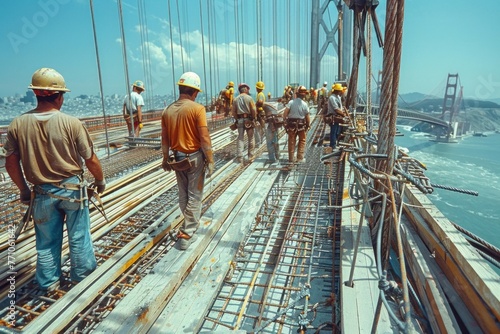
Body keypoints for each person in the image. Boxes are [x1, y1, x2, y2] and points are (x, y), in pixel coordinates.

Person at [4, 68, 105, 291]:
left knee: (46, 243)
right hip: (72, 192)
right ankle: (83, 281)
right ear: (59, 97)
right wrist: (100, 182)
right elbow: (91, 159)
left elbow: (10, 162)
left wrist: (23, 190)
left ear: (36, 94)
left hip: (41, 194)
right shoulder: (72, 123)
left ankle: (48, 284)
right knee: (79, 237)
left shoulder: (18, 124)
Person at [161, 72, 215, 251]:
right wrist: (211, 158)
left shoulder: (167, 110)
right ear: (195, 92)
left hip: (177, 159)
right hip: (194, 158)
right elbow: (204, 137)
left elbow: (165, 140)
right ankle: (187, 233)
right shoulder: (197, 109)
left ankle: (188, 224)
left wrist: (165, 158)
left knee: (183, 193)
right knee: (195, 195)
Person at [283, 86, 310, 163]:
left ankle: (291, 159)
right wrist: (308, 126)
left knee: (291, 141)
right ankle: (300, 158)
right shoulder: (305, 104)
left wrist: (285, 122)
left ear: (297, 94)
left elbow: (285, 114)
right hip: (301, 126)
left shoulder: (291, 102)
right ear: (304, 95)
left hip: (291, 125)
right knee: (302, 141)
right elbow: (307, 117)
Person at [231, 83, 257, 163]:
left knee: (240, 138)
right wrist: (253, 118)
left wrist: (237, 119)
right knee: (251, 138)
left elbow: (233, 112)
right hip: (248, 120)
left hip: (240, 120)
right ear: (246, 89)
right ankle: (250, 156)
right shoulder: (249, 98)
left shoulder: (235, 99)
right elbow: (253, 109)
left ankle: (240, 157)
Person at [326, 83, 347, 149]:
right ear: (337, 90)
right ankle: (333, 145)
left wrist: (343, 112)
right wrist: (344, 115)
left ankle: (335, 143)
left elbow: (340, 107)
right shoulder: (332, 98)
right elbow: (336, 109)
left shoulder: (338, 97)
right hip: (333, 117)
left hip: (338, 117)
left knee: (337, 131)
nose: (341, 91)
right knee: (333, 131)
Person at [254, 81, 266, 146]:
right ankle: (261, 141)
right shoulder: (260, 94)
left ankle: (259, 142)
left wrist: (255, 105)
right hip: (261, 113)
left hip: (260, 113)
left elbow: (260, 102)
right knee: (261, 127)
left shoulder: (260, 94)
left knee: (259, 128)